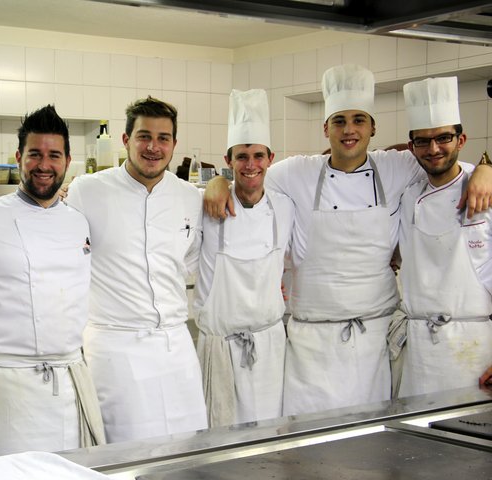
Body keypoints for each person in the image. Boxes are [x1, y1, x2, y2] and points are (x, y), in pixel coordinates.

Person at [203, 65, 492, 416]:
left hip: (374, 341)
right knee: (307, 443)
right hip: (310, 345)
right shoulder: (296, 172)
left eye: (358, 119)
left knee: (373, 444)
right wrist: (218, 182)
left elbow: (447, 167)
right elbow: (249, 180)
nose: (349, 129)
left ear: (373, 128)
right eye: (339, 121)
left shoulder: (399, 166)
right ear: (326, 128)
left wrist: (485, 169)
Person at [0, 105, 105, 457]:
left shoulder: (79, 222)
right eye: (35, 155)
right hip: (6, 388)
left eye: (54, 155)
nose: (44, 165)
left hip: (69, 382)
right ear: (18, 157)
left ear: (68, 161)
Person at [66, 96, 207, 443]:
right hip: (116, 345)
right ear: (126, 140)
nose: (153, 147)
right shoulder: (88, 190)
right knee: (125, 450)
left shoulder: (190, 196)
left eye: (163, 138)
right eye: (144, 136)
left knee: (189, 445)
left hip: (176, 343)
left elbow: (190, 260)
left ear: (174, 144)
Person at [193, 89, 293, 426]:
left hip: (269, 349)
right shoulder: (205, 205)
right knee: (218, 443)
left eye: (258, 156)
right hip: (220, 350)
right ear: (228, 160)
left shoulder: (284, 207)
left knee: (269, 442)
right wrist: (215, 183)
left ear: (270, 158)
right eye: (241, 157)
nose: (251, 165)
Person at [397, 76, 492, 396]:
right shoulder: (406, 194)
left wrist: (486, 167)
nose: (433, 149)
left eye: (443, 138)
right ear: (411, 147)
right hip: (420, 350)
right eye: (422, 141)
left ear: (461, 139)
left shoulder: (485, 191)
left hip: (476, 347)